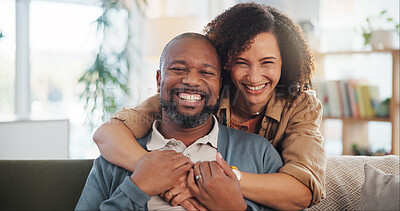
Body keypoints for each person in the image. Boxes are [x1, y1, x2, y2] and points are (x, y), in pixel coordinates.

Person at [94, 3, 326, 210]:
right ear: (225, 67)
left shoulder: (298, 106)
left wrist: (216, 182)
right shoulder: (200, 94)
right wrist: (152, 172)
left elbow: (302, 191)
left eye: (267, 63)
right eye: (241, 63)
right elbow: (108, 133)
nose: (254, 77)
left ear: (285, 63)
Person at [76, 33, 282, 210]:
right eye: (178, 69)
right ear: (158, 81)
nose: (191, 81)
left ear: (220, 86)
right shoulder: (115, 159)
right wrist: (136, 188)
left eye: (206, 72)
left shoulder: (259, 154)